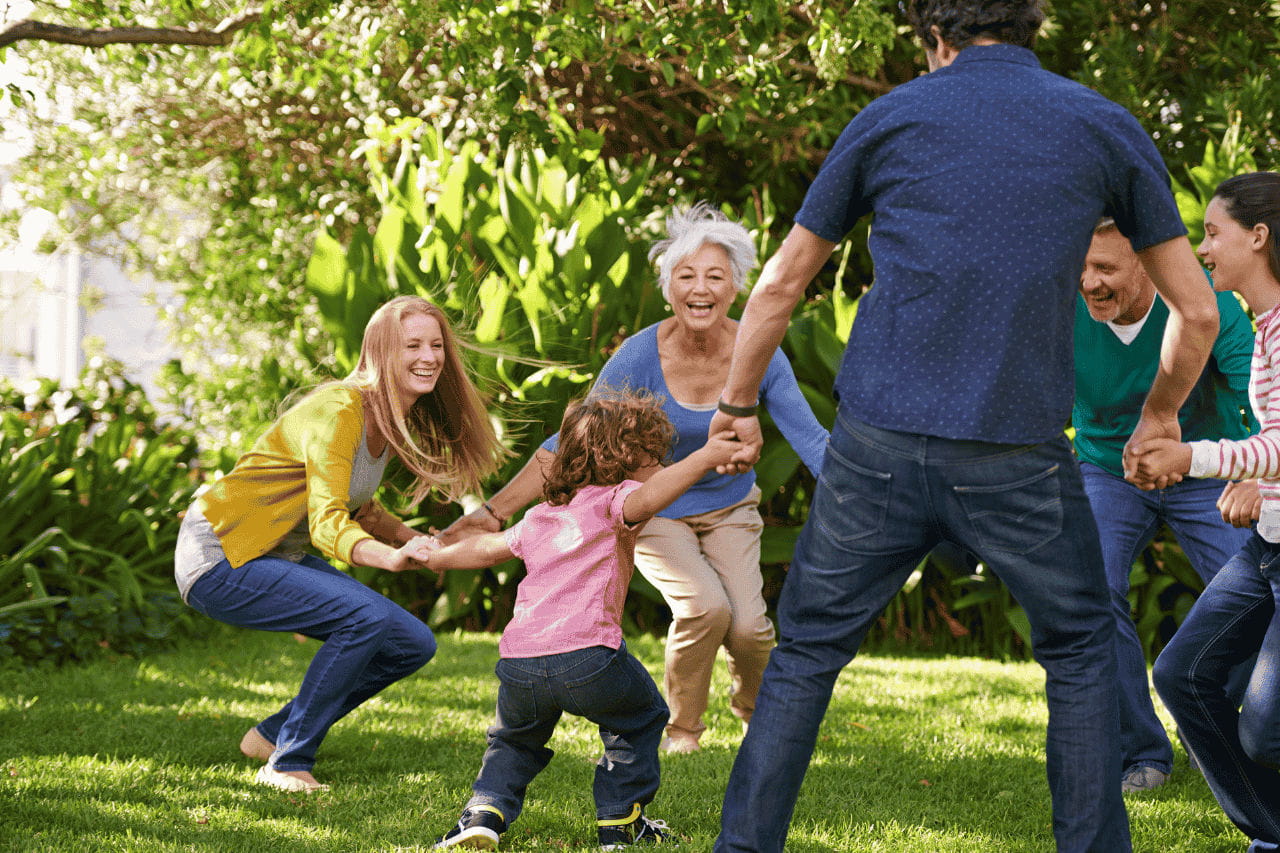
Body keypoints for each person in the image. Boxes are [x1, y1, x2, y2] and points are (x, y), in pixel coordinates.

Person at [703, 1, 1222, 850]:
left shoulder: (891, 114)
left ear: (937, 40)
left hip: (875, 447)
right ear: (1030, 30)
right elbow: (1196, 311)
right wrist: (1158, 417)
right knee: (1083, 648)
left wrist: (733, 407)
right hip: (1015, 456)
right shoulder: (1100, 124)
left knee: (804, 654)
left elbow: (779, 287)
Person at [441, 202, 827, 754]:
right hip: (654, 510)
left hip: (730, 508)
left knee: (749, 628)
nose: (700, 288)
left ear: (736, 287)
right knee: (703, 608)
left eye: (715, 276)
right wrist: (492, 513)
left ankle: (756, 718)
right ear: (668, 288)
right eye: (686, 276)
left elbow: (810, 436)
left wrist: (865, 492)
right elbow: (574, 441)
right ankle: (684, 731)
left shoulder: (756, 349)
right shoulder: (640, 355)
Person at [173, 295, 504, 792]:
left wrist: (415, 540)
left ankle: (272, 736)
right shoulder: (339, 412)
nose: (429, 356)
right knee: (364, 617)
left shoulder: (387, 415)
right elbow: (328, 522)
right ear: (379, 353)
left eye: (436, 345)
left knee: (411, 643)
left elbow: (361, 507)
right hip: (220, 553)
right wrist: (392, 558)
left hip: (268, 552)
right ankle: (287, 763)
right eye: (411, 345)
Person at [425, 389, 743, 850]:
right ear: (627, 458)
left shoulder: (541, 516)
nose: (659, 464)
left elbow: (482, 549)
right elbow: (650, 496)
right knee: (641, 717)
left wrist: (436, 556)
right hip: (588, 657)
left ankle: (483, 813)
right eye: (654, 455)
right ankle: (621, 820)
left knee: (514, 739)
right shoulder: (616, 502)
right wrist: (706, 456)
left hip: (521, 662)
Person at [1074, 216, 1258, 792]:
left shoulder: (1212, 309)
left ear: (1150, 265)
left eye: (1104, 268)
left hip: (1205, 468)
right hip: (1109, 468)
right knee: (1089, 588)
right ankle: (1142, 753)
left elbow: (1266, 403)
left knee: (1259, 593)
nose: (1088, 282)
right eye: (1080, 267)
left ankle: (1222, 727)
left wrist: (1260, 476)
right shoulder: (1059, 316)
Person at [1129, 171, 1280, 852]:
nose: (1203, 247)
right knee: (1182, 675)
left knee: (1267, 728)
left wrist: (1190, 458)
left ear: (1259, 235)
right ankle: (1272, 831)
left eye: (1213, 232)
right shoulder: (1261, 325)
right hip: (1266, 548)